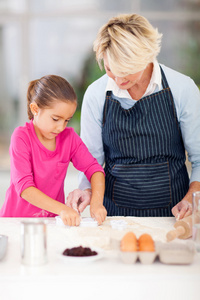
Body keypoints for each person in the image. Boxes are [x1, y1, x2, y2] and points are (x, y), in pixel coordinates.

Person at [66, 13, 200, 220]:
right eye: (110, 69)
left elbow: (199, 158)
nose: (118, 79)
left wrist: (191, 197)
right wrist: (87, 191)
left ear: (146, 57)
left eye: (126, 71)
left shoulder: (183, 89)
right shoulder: (96, 94)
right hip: (114, 217)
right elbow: (91, 161)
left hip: (172, 216)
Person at [0, 75, 107, 226]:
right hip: (15, 223)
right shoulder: (21, 137)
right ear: (35, 109)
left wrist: (96, 202)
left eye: (66, 120)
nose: (61, 127)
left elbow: (94, 169)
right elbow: (25, 188)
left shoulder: (69, 138)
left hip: (51, 223)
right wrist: (63, 209)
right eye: (56, 119)